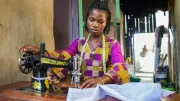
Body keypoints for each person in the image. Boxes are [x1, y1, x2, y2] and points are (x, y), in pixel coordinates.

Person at [19, 0, 129, 89]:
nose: (95, 24)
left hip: (102, 91)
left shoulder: (113, 44)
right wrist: (41, 52)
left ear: (106, 24)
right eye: (92, 20)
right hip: (82, 89)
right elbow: (64, 55)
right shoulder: (79, 43)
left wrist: (100, 80)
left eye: (100, 22)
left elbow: (120, 67)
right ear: (87, 20)